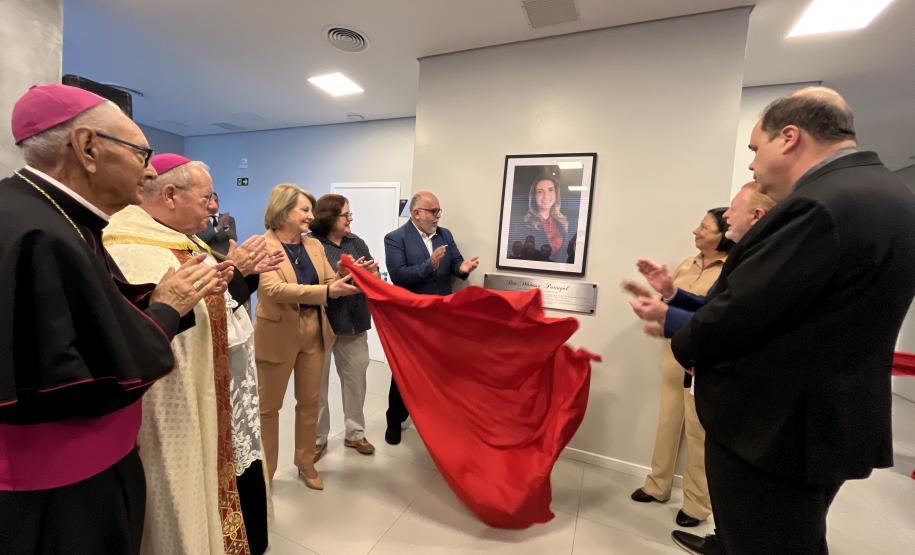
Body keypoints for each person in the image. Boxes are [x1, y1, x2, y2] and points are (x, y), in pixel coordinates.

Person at [669, 87, 915, 554]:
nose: (751, 165)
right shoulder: (891, 195)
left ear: (789, 137)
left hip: (775, 429)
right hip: (829, 421)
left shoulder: (819, 205)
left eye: (754, 148)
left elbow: (741, 311)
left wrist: (684, 341)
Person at [0, 84, 225, 554]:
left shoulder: (52, 215)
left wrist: (157, 297)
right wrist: (168, 309)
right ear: (87, 148)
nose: (147, 171)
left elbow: (90, 313)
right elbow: (84, 368)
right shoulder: (41, 230)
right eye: (141, 152)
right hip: (60, 483)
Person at [105, 153, 277, 554]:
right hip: (179, 408)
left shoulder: (187, 239)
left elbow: (219, 311)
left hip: (220, 395)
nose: (215, 206)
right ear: (169, 194)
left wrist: (239, 275)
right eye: (207, 197)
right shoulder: (127, 247)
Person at [625, 208, 734, 529]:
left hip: (703, 362)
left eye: (704, 227)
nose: (696, 231)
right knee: (667, 421)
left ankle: (696, 505)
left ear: (722, 234)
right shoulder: (687, 264)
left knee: (699, 434)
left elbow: (715, 318)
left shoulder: (731, 270)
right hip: (674, 353)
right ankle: (657, 485)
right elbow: (671, 303)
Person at [254, 184, 361, 491]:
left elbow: (329, 280)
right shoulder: (262, 246)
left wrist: (348, 275)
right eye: (304, 210)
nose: (311, 216)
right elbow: (274, 290)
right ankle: (267, 472)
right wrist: (327, 291)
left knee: (310, 403)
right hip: (277, 332)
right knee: (268, 408)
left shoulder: (314, 246)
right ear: (283, 211)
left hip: (315, 331)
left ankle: (305, 462)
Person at [383, 191, 480, 445]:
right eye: (433, 211)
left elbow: (455, 262)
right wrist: (430, 265)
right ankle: (394, 420)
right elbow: (399, 276)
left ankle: (434, 420)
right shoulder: (395, 239)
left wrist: (462, 268)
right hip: (411, 318)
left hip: (440, 316)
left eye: (439, 211)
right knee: (404, 370)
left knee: (438, 371)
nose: (438, 216)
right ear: (416, 214)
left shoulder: (445, 235)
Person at [309, 194, 380, 461]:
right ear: (329, 217)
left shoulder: (356, 242)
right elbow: (311, 284)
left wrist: (372, 273)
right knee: (317, 386)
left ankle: (355, 433)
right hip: (323, 324)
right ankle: (317, 438)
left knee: (356, 381)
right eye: (346, 215)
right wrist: (338, 276)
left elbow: (373, 275)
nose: (351, 219)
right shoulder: (311, 245)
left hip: (355, 323)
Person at [514, 175, 569, 262]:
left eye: (550, 190)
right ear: (534, 196)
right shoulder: (525, 224)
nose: (546, 196)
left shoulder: (561, 223)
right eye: (540, 192)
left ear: (556, 194)